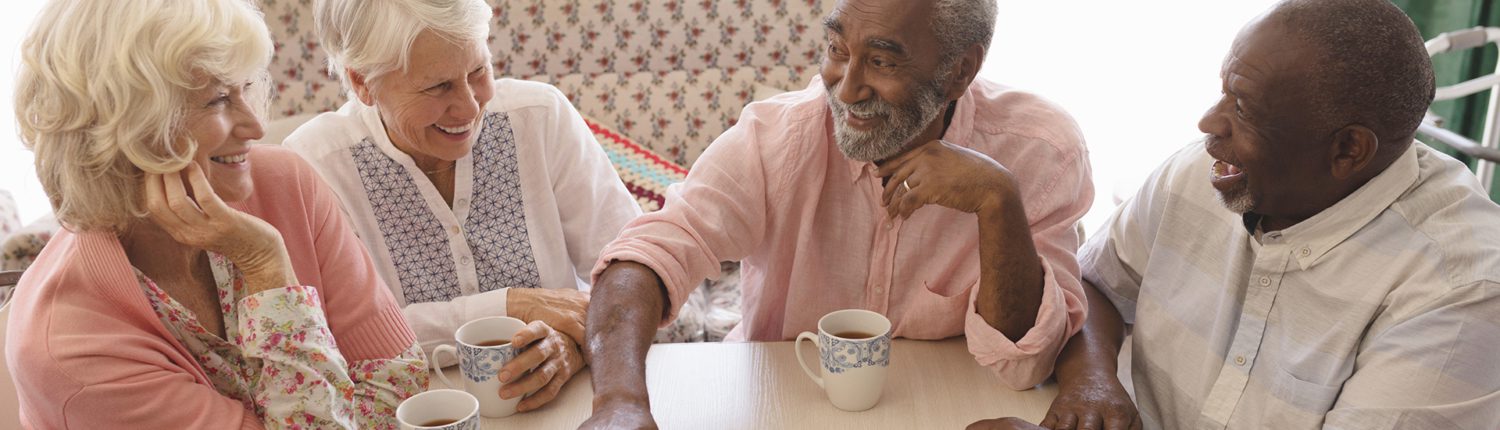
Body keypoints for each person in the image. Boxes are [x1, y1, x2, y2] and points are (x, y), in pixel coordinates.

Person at [971, 1, 1500, 429]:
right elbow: (1098, 284)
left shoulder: (1460, 293)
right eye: (1223, 90)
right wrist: (1093, 382)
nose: (1208, 122)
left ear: (1348, 151)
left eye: (1244, 107)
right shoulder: (1208, 173)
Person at [582, 0, 1094, 426]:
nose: (845, 90)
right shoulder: (776, 138)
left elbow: (1026, 362)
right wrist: (618, 404)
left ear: (959, 70)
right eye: (837, 50)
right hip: (780, 407)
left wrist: (996, 200)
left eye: (882, 62)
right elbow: (648, 255)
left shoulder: (1041, 151)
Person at [5, 0, 430, 427]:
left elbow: (400, 388)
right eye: (218, 100)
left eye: (247, 88)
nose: (257, 127)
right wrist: (266, 267)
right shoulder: (71, 347)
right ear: (127, 128)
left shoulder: (284, 184)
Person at [285, 0, 642, 411]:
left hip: (570, 400)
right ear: (363, 82)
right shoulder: (315, 166)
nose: (471, 107)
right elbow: (341, 336)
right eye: (438, 87)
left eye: (478, 72)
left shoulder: (539, 117)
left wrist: (578, 345)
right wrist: (512, 304)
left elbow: (632, 270)